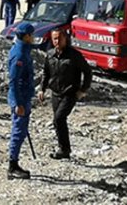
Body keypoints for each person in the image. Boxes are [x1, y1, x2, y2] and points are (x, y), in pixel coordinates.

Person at [38, 29, 92, 160]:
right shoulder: (50, 54)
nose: (57, 41)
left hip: (70, 93)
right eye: (54, 39)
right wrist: (42, 89)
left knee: (59, 118)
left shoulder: (74, 55)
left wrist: (83, 90)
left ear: (65, 39)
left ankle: (64, 149)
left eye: (59, 39)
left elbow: (88, 72)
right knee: (57, 121)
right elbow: (46, 73)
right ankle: (64, 149)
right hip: (55, 93)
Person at [7, 22, 36, 180]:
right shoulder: (19, 54)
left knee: (21, 130)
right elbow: (13, 80)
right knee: (18, 131)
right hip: (21, 98)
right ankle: (13, 166)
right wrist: (18, 103)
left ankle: (14, 162)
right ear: (26, 36)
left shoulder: (23, 50)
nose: (33, 37)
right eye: (32, 35)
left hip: (24, 96)